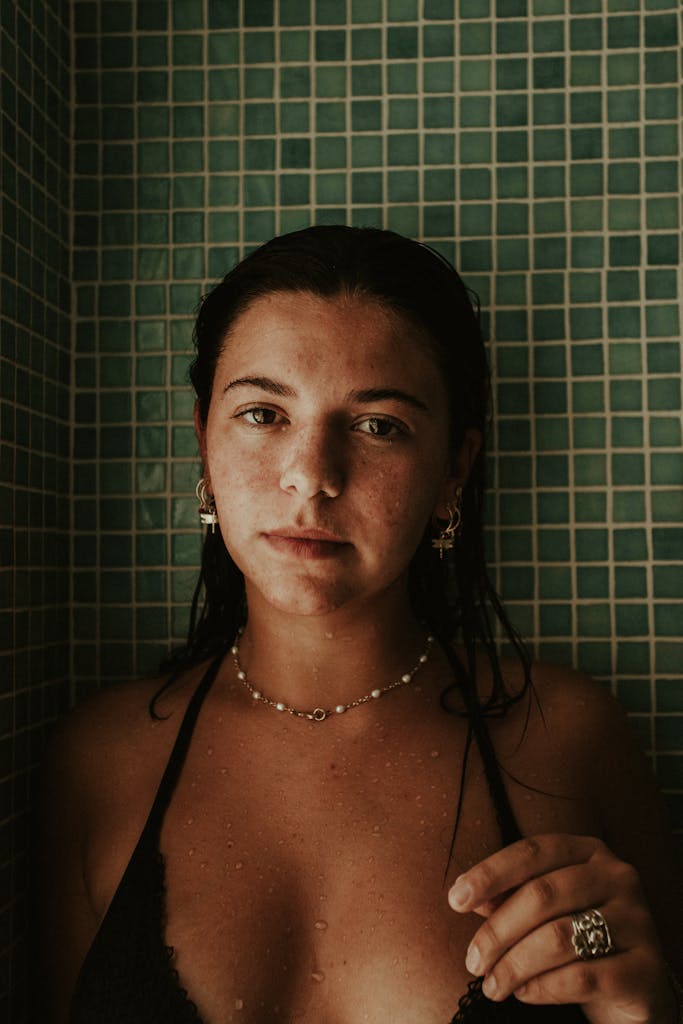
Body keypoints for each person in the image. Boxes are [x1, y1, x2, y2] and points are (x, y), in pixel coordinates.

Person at [40, 226, 681, 1024]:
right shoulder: (99, 761)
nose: (311, 475)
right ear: (204, 443)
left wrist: (649, 1010)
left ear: (453, 471)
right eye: (263, 413)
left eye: (378, 425)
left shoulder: (567, 739)